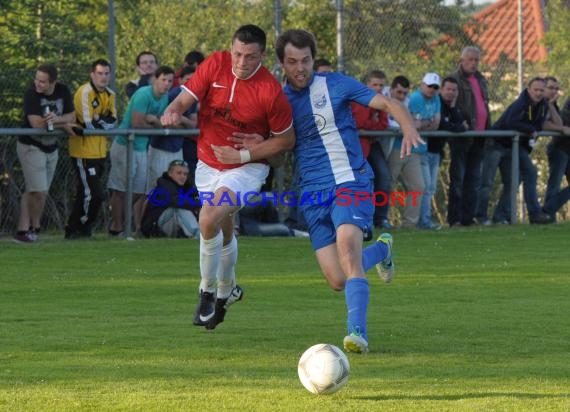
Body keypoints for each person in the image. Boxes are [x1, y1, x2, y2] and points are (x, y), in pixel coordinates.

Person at [271, 29, 422, 354]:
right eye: (293, 62)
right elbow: (278, 151)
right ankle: (382, 250)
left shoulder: (335, 83)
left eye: (306, 60)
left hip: (349, 181)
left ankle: (358, 333)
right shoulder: (278, 101)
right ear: (282, 63)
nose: (300, 68)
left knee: (349, 254)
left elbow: (386, 102)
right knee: (338, 279)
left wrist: (408, 126)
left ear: (314, 58)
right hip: (311, 193)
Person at [160, 24, 295, 331]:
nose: (241, 62)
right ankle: (228, 290)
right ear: (230, 49)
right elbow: (184, 99)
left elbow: (286, 141)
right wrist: (172, 108)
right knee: (224, 229)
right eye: (237, 53)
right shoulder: (216, 63)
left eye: (250, 56)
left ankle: (206, 292)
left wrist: (246, 155)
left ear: (262, 55)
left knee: (207, 219)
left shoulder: (270, 91)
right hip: (208, 164)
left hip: (246, 168)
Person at [107, 65, 175, 236]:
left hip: (142, 148)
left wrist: (152, 120)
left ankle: (121, 223)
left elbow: (162, 123)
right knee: (121, 189)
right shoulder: (144, 95)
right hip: (125, 145)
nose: (166, 84)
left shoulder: (165, 97)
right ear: (155, 80)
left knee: (139, 190)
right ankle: (116, 227)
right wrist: (154, 122)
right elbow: (137, 124)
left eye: (170, 81)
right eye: (163, 80)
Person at [478, 77, 553, 225]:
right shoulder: (521, 103)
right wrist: (530, 129)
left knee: (519, 178)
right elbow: (511, 121)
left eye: (541, 90)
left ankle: (504, 215)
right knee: (487, 181)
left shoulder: (543, 106)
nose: (538, 93)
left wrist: (532, 133)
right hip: (496, 143)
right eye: (535, 90)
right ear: (529, 89)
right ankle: (480, 216)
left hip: (514, 146)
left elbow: (538, 124)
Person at [14, 63, 75, 243]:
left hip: (51, 147)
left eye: (42, 82)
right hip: (31, 146)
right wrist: (64, 125)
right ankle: (35, 227)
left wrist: (58, 120)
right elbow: (37, 124)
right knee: (38, 190)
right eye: (36, 80)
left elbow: (73, 116)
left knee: (37, 191)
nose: (38, 84)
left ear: (53, 82)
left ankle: (22, 231)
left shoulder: (63, 90)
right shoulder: (31, 94)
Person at [64, 58, 117, 239]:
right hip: (83, 152)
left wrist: (99, 119)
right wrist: (102, 120)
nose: (103, 77)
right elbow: (88, 125)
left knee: (85, 192)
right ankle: (79, 226)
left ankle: (77, 230)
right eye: (100, 73)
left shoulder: (110, 94)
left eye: (106, 73)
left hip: (100, 151)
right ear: (92, 74)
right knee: (95, 194)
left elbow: (113, 121)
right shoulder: (84, 92)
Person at [448, 46, 491, 226]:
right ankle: (455, 218)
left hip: (479, 136)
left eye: (476, 60)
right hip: (463, 137)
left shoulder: (481, 80)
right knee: (458, 178)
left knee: (474, 179)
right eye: (470, 60)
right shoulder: (455, 79)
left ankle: (468, 218)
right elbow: (452, 105)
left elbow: (484, 105)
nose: (473, 63)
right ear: (461, 60)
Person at [350, 69, 392, 229]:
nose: (378, 88)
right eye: (375, 84)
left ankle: (380, 218)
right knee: (360, 181)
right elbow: (359, 122)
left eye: (381, 85)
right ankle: (358, 218)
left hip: (370, 143)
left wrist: (370, 128)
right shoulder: (360, 99)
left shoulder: (382, 101)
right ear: (367, 84)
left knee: (383, 177)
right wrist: (371, 126)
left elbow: (383, 124)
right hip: (357, 146)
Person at [386, 75, 425, 229]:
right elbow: (390, 124)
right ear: (391, 90)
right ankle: (382, 220)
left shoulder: (410, 102)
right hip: (393, 149)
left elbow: (417, 123)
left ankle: (409, 224)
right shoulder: (383, 99)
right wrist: (407, 125)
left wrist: (408, 125)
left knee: (418, 186)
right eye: (399, 92)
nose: (402, 96)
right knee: (387, 185)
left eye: (404, 93)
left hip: (410, 149)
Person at [409, 72, 442, 230]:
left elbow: (436, 124)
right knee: (425, 186)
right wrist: (426, 122)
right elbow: (415, 124)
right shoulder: (415, 98)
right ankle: (421, 221)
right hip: (415, 148)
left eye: (435, 87)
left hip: (427, 147)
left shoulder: (436, 98)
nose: (432, 90)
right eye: (429, 86)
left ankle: (424, 220)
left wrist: (424, 122)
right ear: (422, 85)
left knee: (430, 187)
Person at [437, 77, 468, 227]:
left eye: (454, 90)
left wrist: (454, 110)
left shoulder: (452, 106)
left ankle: (454, 219)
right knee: (427, 186)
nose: (451, 93)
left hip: (438, 151)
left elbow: (462, 124)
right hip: (426, 149)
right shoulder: (437, 103)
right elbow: (442, 124)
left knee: (457, 183)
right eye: (448, 89)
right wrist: (457, 127)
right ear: (441, 89)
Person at [141, 159, 199, 238]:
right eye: (179, 173)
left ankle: (212, 233)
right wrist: (201, 202)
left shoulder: (185, 186)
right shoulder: (164, 184)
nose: (183, 176)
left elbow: (198, 196)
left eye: (185, 174)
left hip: (170, 223)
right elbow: (176, 201)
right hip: (154, 226)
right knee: (178, 209)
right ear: (170, 173)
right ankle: (198, 235)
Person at [542, 77, 570, 219]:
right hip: (560, 148)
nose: (554, 91)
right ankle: (547, 214)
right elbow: (544, 123)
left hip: (566, 149)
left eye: (556, 88)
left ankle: (547, 211)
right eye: (551, 88)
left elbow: (560, 123)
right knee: (554, 184)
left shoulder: (553, 104)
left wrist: (552, 105)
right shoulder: (539, 103)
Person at [169, 66, 199, 188]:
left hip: (179, 147)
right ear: (180, 80)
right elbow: (170, 121)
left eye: (193, 80)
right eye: (188, 79)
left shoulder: (193, 97)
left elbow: (193, 124)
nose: (190, 82)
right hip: (164, 146)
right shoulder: (173, 94)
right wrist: (183, 122)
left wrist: (182, 119)